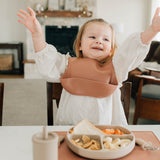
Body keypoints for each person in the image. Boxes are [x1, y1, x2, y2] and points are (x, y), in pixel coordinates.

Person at [17, 7, 160, 125]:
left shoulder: (116, 67)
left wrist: (152, 30)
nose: (99, 41)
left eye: (105, 39)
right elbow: (48, 61)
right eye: (92, 37)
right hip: (71, 130)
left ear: (111, 49)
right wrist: (37, 34)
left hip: (105, 133)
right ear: (79, 45)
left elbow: (131, 49)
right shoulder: (68, 64)